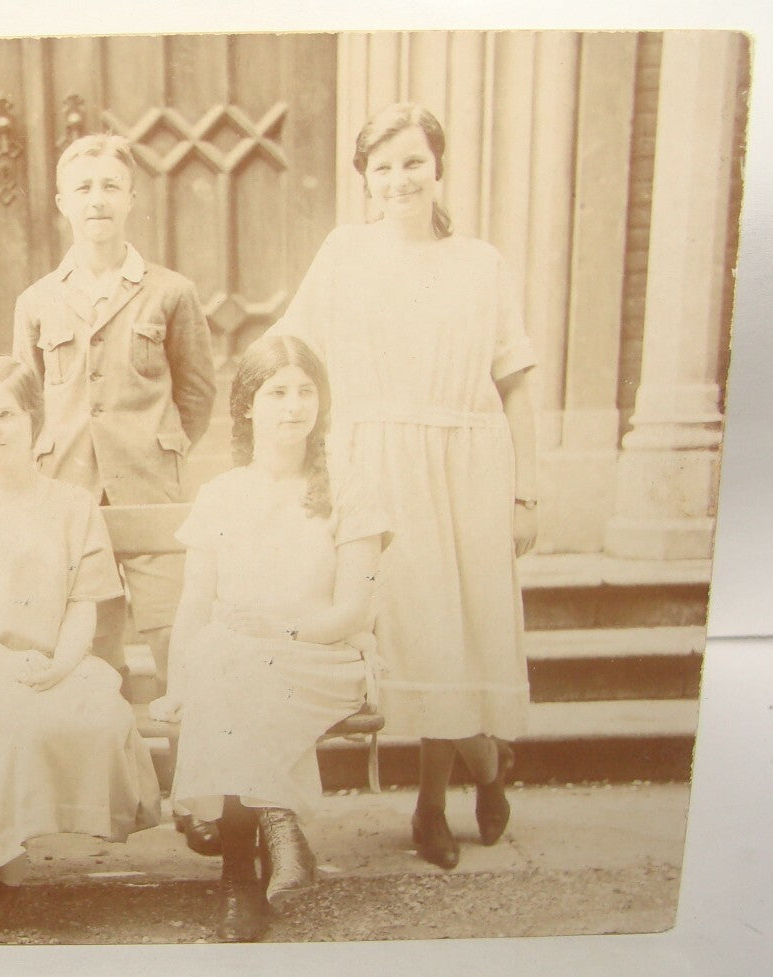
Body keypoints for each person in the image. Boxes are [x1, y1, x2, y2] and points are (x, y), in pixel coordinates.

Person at [267, 102, 538, 871]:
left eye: (413, 161)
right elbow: (292, 346)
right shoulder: (345, 251)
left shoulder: (480, 263)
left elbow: (515, 379)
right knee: (413, 634)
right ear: (364, 179)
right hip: (375, 462)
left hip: (466, 466)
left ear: (438, 165)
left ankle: (431, 806)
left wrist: (526, 494)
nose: (399, 179)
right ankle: (487, 765)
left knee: (457, 638)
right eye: (382, 167)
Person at [0, 356, 162, 941]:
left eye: (8, 415)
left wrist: (62, 663)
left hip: (50, 659)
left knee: (95, 711)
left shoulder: (70, 503)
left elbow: (83, 604)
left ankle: (18, 840)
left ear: (34, 421)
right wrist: (0, 661)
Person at [148, 336, 389, 942]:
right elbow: (195, 603)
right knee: (229, 662)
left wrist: (280, 630)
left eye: (305, 391)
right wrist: (178, 684)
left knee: (232, 663)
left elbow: (352, 609)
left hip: (324, 659)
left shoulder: (349, 489)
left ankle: (239, 878)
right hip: (243, 665)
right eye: (276, 392)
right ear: (248, 406)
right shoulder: (223, 494)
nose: (292, 406)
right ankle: (276, 828)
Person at [12, 133, 214, 694]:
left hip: (151, 485)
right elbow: (25, 399)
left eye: (110, 186)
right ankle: (119, 773)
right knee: (89, 639)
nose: (96, 199)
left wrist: (158, 442)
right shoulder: (37, 300)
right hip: (70, 489)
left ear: (131, 198)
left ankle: (188, 769)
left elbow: (197, 393)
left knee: (171, 628)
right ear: (62, 203)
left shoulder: (170, 292)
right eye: (83, 187)